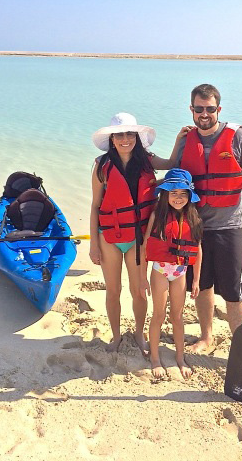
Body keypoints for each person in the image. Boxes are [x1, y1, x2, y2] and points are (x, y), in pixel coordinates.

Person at [177, 84, 242, 353]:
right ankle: (206, 336)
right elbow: (175, 178)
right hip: (194, 228)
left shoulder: (236, 136)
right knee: (202, 285)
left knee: (234, 291)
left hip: (228, 226)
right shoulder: (186, 139)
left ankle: (239, 343)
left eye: (210, 109)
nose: (204, 114)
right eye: (199, 109)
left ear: (218, 109)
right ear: (192, 110)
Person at [90, 113, 186, 354]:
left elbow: (173, 163)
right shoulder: (101, 166)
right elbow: (95, 205)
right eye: (119, 135)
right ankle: (115, 336)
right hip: (109, 236)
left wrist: (180, 139)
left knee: (139, 290)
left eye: (130, 134)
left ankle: (140, 334)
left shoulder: (147, 161)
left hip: (138, 238)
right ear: (112, 139)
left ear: (136, 137)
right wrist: (93, 244)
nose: (125, 139)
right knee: (113, 290)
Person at [139, 169, 203, 379]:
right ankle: (155, 358)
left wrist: (196, 280)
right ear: (165, 194)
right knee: (159, 315)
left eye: (183, 193)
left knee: (177, 316)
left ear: (189, 196)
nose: (178, 197)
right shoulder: (157, 215)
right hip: (159, 271)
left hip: (181, 273)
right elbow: (144, 246)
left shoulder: (193, 217)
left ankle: (179, 358)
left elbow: (198, 250)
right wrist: (142, 278)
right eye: (173, 192)